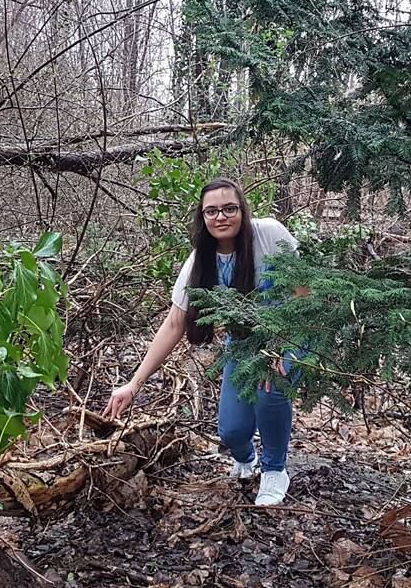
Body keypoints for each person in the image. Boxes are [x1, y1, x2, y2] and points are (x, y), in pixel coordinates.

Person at [102, 177, 309, 506]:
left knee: (270, 388)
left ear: (242, 209)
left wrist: (283, 345)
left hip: (290, 333)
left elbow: (304, 294)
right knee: (231, 432)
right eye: (212, 211)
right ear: (202, 217)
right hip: (243, 344)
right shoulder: (201, 259)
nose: (221, 217)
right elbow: (174, 323)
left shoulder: (269, 234)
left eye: (230, 208)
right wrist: (133, 385)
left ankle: (274, 470)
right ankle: (246, 460)